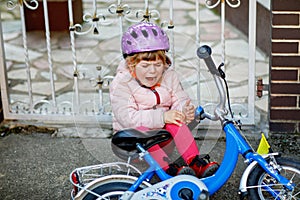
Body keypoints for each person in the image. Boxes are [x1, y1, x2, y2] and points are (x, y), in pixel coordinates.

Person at [109, 22, 218, 178]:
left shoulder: (169, 75)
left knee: (176, 122)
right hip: (135, 147)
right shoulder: (121, 84)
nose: (152, 71)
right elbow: (128, 119)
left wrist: (183, 111)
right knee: (142, 128)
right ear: (131, 64)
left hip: (163, 141)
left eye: (158, 64)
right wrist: (162, 117)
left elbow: (179, 98)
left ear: (164, 63)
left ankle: (196, 163)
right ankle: (168, 170)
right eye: (145, 65)